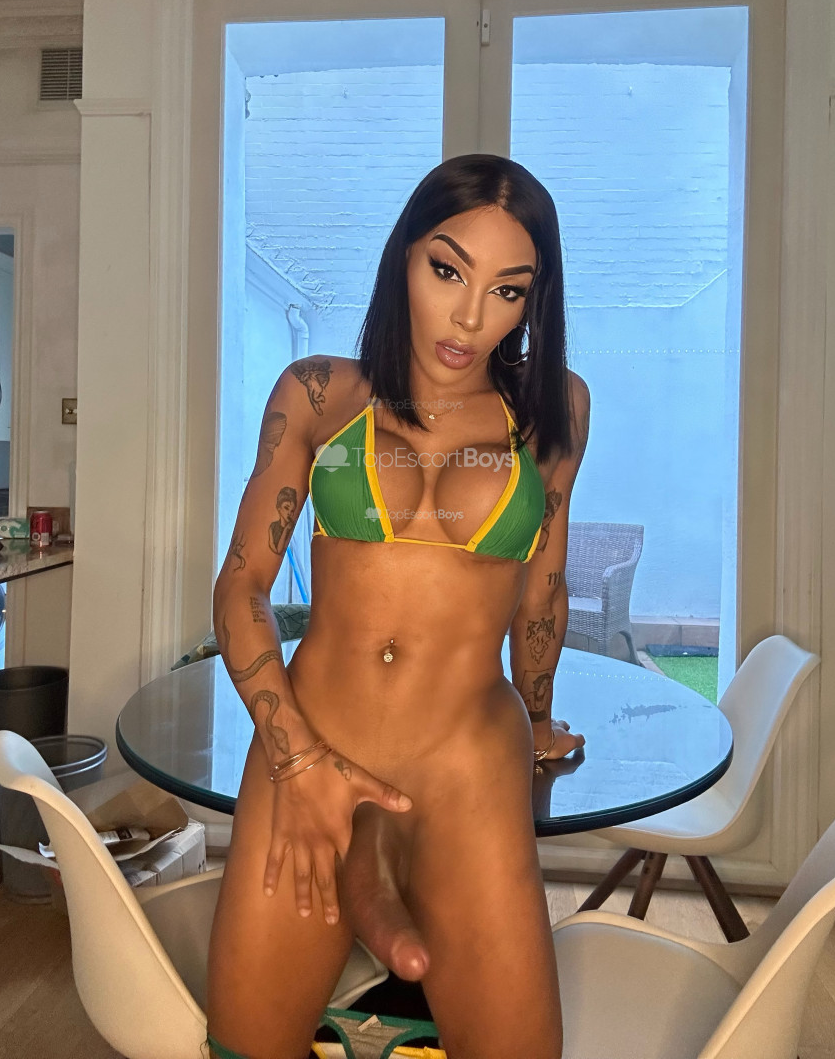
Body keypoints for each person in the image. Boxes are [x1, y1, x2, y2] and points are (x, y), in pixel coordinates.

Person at [205, 153, 591, 1059]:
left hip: (467, 768)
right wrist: (297, 762)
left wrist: (538, 718)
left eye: (508, 290)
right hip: (311, 749)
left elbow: (542, 587)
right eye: (448, 270)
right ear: (403, 257)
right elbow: (241, 587)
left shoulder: (552, 411)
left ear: (534, 302)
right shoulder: (318, 394)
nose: (470, 317)